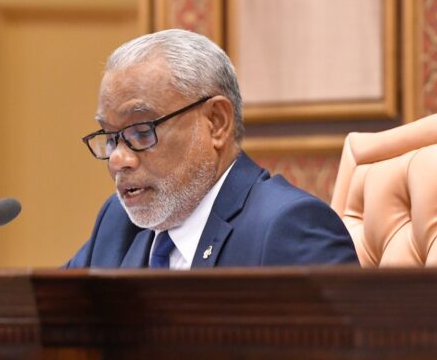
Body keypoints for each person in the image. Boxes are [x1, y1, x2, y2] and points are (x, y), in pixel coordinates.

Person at [66, 29, 358, 268]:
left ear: (217, 122)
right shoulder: (117, 223)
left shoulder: (288, 228)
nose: (118, 159)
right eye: (110, 137)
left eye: (142, 132)